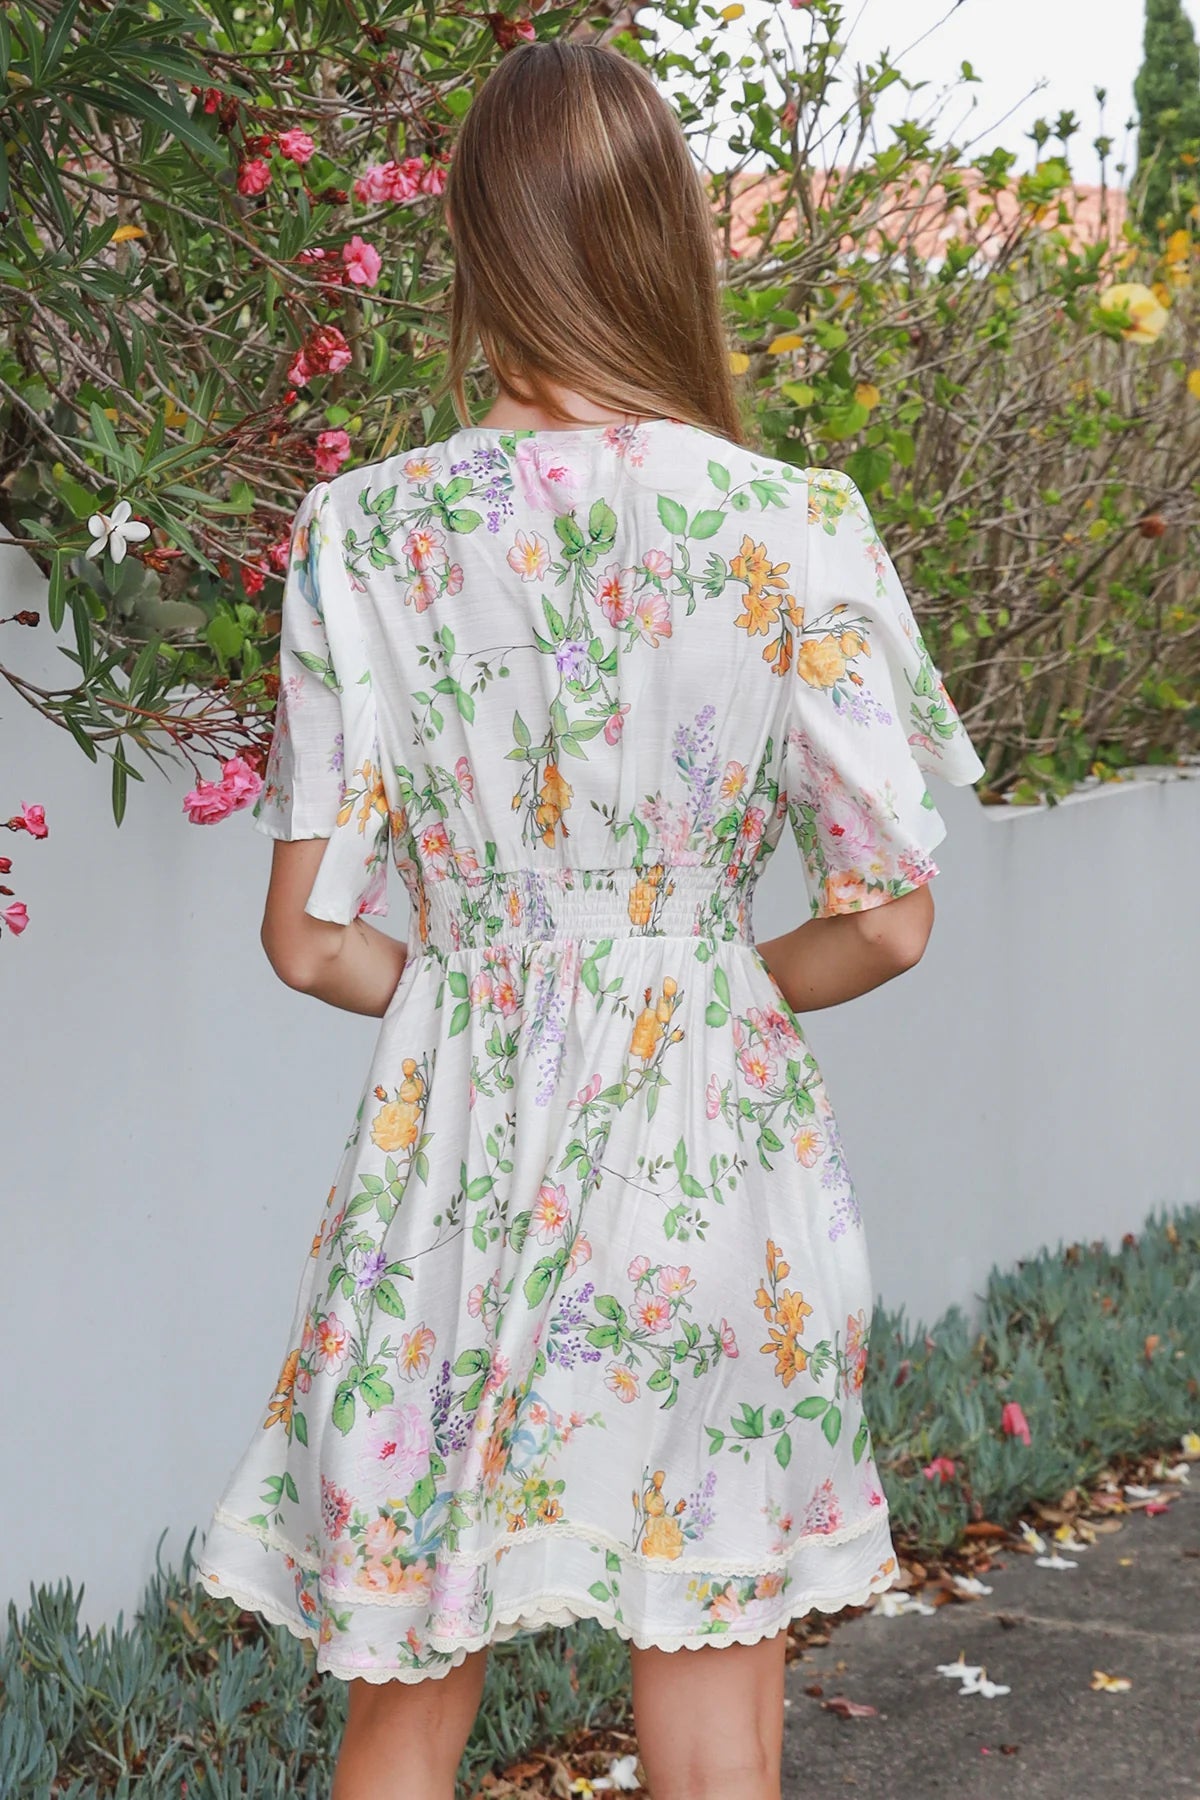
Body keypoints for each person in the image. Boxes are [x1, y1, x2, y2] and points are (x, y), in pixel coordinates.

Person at [193, 37, 986, 1800]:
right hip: (716, 1160)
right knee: (713, 1706)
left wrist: (483, 995)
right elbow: (887, 921)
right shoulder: (792, 527)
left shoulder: (363, 534)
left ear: (478, 243)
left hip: (457, 1163)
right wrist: (696, 988)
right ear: (665, 237)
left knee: (408, 1678)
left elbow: (309, 939)